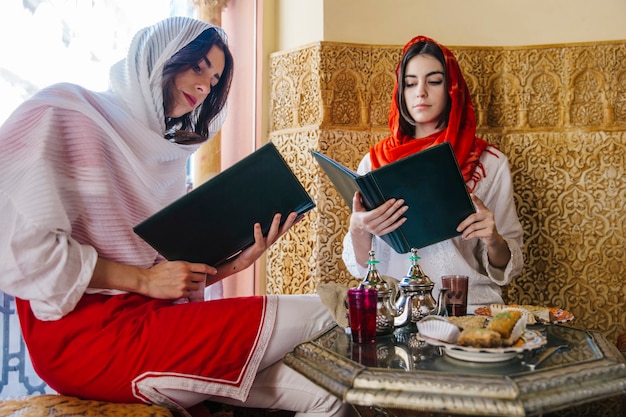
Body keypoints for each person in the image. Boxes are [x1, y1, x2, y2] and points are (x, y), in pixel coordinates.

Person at [0, 17, 354, 417]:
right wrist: (143, 280)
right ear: (160, 56)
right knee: (336, 308)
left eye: (216, 79)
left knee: (331, 398)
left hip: (152, 321)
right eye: (198, 66)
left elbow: (165, 280)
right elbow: (21, 249)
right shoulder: (63, 112)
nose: (205, 86)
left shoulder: (164, 159)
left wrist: (239, 261)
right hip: (82, 338)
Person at [342, 36, 524, 312]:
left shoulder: (489, 162)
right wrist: (358, 227)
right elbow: (363, 268)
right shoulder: (374, 163)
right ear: (400, 91)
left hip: (468, 310)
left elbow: (506, 267)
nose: (421, 92)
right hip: (395, 313)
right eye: (410, 83)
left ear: (453, 89)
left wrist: (493, 238)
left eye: (434, 81)